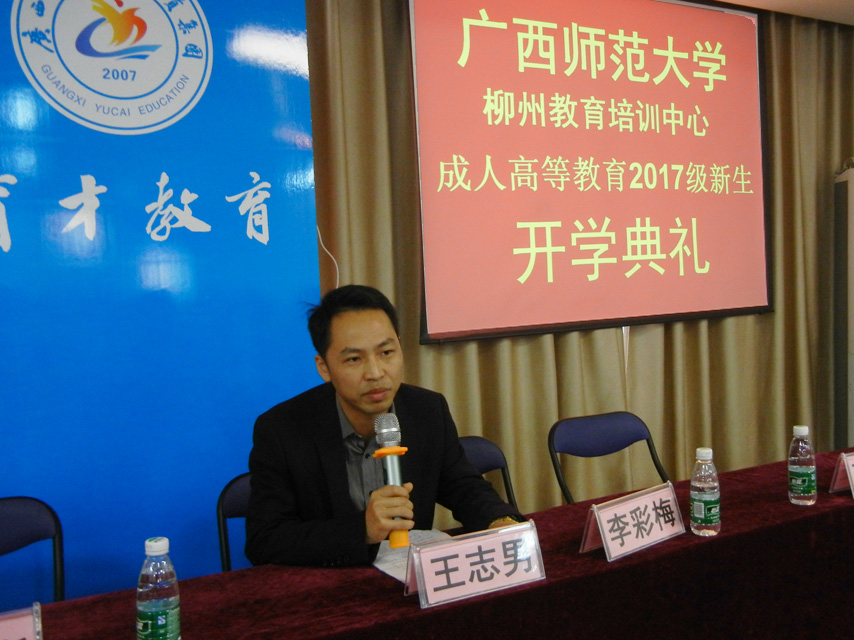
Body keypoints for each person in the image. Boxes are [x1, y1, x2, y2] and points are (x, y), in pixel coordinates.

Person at [245, 284, 524, 566]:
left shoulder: (427, 410)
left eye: (386, 353)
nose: (376, 373)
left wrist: (499, 521)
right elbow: (265, 540)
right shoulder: (281, 430)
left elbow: (463, 486)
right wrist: (362, 529)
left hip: (408, 578)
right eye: (354, 359)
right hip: (330, 579)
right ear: (324, 367)